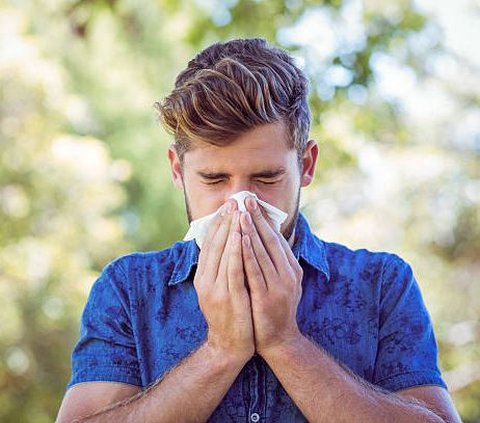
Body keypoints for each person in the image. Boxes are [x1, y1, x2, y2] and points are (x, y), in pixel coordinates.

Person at [56, 38, 461, 422]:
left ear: (306, 165)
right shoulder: (129, 290)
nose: (242, 203)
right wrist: (220, 351)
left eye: (265, 177)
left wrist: (286, 342)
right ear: (178, 172)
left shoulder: (381, 285)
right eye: (214, 179)